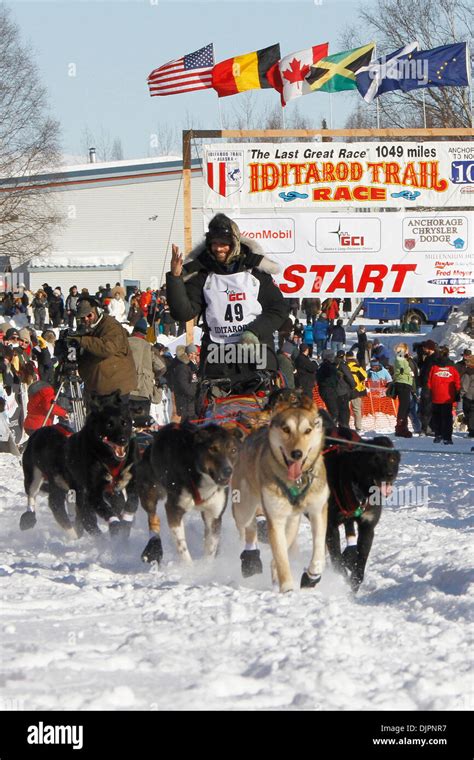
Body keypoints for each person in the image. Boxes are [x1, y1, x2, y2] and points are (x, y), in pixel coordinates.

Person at [166, 214, 288, 388]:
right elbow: (183, 313)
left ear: (235, 243)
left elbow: (279, 308)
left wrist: (254, 331)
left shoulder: (255, 272)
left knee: (263, 410)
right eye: (214, 243)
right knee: (215, 412)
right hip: (218, 358)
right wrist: (175, 279)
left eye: (224, 243)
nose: (218, 248)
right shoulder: (202, 274)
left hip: (256, 354)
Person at [72, 297, 138, 399]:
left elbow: (107, 348)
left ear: (97, 312)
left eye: (89, 315)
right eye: (82, 318)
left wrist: (82, 340)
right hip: (98, 385)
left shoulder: (111, 326)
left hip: (114, 388)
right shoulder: (88, 328)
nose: (86, 319)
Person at [127, 318, 163, 425]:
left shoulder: (125, 344)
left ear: (134, 330)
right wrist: (154, 376)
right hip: (144, 392)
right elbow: (161, 368)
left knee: (126, 423)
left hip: (126, 390)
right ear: (145, 333)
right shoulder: (149, 347)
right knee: (142, 424)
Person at [427, 346, 461, 444]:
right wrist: (457, 393)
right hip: (448, 397)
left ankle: (438, 435)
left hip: (436, 396)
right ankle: (447, 438)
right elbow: (457, 381)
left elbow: (429, 381)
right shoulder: (452, 367)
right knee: (447, 418)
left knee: (437, 417)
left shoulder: (434, 367)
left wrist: (430, 392)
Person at [169, 344, 199, 420]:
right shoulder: (182, 366)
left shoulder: (191, 366)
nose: (193, 355)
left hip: (190, 400)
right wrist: (193, 393)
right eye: (191, 353)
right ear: (186, 353)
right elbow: (183, 384)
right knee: (186, 421)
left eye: (195, 354)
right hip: (185, 399)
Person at [392, 342, 414, 438]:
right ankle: (401, 427)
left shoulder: (401, 357)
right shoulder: (400, 356)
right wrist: (410, 371)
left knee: (406, 406)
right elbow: (402, 367)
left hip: (405, 382)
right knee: (404, 406)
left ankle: (403, 426)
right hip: (403, 383)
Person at [418, 339, 439, 436]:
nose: (423, 349)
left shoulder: (435, 359)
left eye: (425, 347)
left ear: (430, 348)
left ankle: (426, 428)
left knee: (427, 408)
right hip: (426, 385)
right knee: (425, 408)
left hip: (430, 386)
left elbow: (428, 373)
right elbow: (422, 368)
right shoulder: (427, 358)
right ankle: (429, 428)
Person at [345, 351, 367, 433]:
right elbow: (364, 376)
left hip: (345, 391)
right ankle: (358, 427)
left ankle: (345, 425)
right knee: (357, 410)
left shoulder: (343, 366)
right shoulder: (357, 367)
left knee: (345, 410)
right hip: (356, 390)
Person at [316, 349, 339, 423]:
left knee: (334, 410)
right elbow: (329, 376)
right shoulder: (326, 366)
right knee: (334, 412)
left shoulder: (324, 366)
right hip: (328, 391)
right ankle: (332, 427)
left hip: (327, 390)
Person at [335, 350, 356, 428]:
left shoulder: (333, 364)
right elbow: (349, 376)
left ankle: (339, 425)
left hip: (334, 390)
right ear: (343, 356)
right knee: (345, 410)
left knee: (338, 409)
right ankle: (345, 426)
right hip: (343, 390)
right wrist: (353, 385)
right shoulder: (342, 365)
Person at [461, 354, 474, 438]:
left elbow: (464, 386)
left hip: (469, 396)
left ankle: (472, 431)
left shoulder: (468, 372)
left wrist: (460, 394)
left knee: (470, 414)